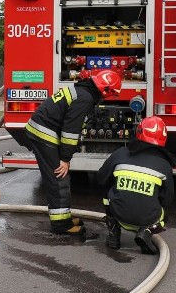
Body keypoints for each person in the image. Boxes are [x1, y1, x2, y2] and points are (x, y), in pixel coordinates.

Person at [25, 69, 122, 235]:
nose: (109, 97)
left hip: (42, 130)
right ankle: (61, 225)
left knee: (60, 177)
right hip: (44, 133)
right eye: (111, 93)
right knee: (59, 177)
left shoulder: (82, 90)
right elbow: (70, 132)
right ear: (105, 90)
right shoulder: (85, 99)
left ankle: (64, 218)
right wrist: (65, 158)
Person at [96, 116, 176, 254]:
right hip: (148, 219)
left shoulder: (120, 153)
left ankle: (114, 234)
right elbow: (167, 199)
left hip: (119, 216)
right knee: (164, 215)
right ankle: (146, 231)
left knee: (107, 189)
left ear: (139, 131)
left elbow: (100, 178)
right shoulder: (165, 165)